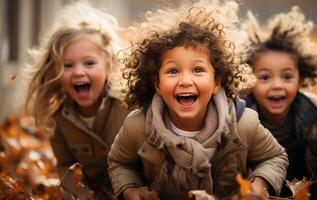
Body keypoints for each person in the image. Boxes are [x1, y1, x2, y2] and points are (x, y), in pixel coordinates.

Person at [107, 1, 288, 199]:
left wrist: (259, 183)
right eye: (173, 71)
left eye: (198, 70)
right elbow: (120, 162)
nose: (185, 81)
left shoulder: (243, 124)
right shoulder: (138, 126)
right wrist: (130, 189)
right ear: (157, 84)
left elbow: (275, 157)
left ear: (216, 81)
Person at [22, 2, 130, 197]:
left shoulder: (127, 105)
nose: (79, 72)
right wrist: (83, 195)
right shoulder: (60, 119)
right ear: (55, 71)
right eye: (68, 65)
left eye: (89, 63)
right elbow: (66, 167)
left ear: (108, 67)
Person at [242, 6, 317, 199]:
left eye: (287, 77)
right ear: (250, 80)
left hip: (306, 193)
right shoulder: (242, 114)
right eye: (265, 77)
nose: (277, 85)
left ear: (301, 79)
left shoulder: (313, 112)